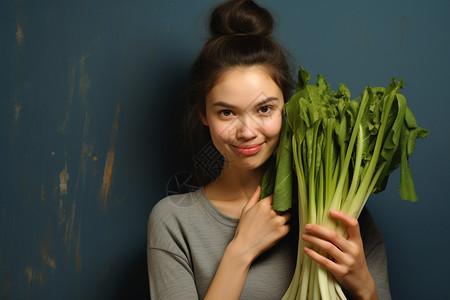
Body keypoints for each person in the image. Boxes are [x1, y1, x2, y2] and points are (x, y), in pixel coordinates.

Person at [147, 1, 391, 299]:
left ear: (287, 107)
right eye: (227, 113)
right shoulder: (173, 221)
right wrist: (240, 252)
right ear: (203, 114)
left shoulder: (339, 213)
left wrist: (365, 287)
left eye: (264, 109)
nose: (247, 132)